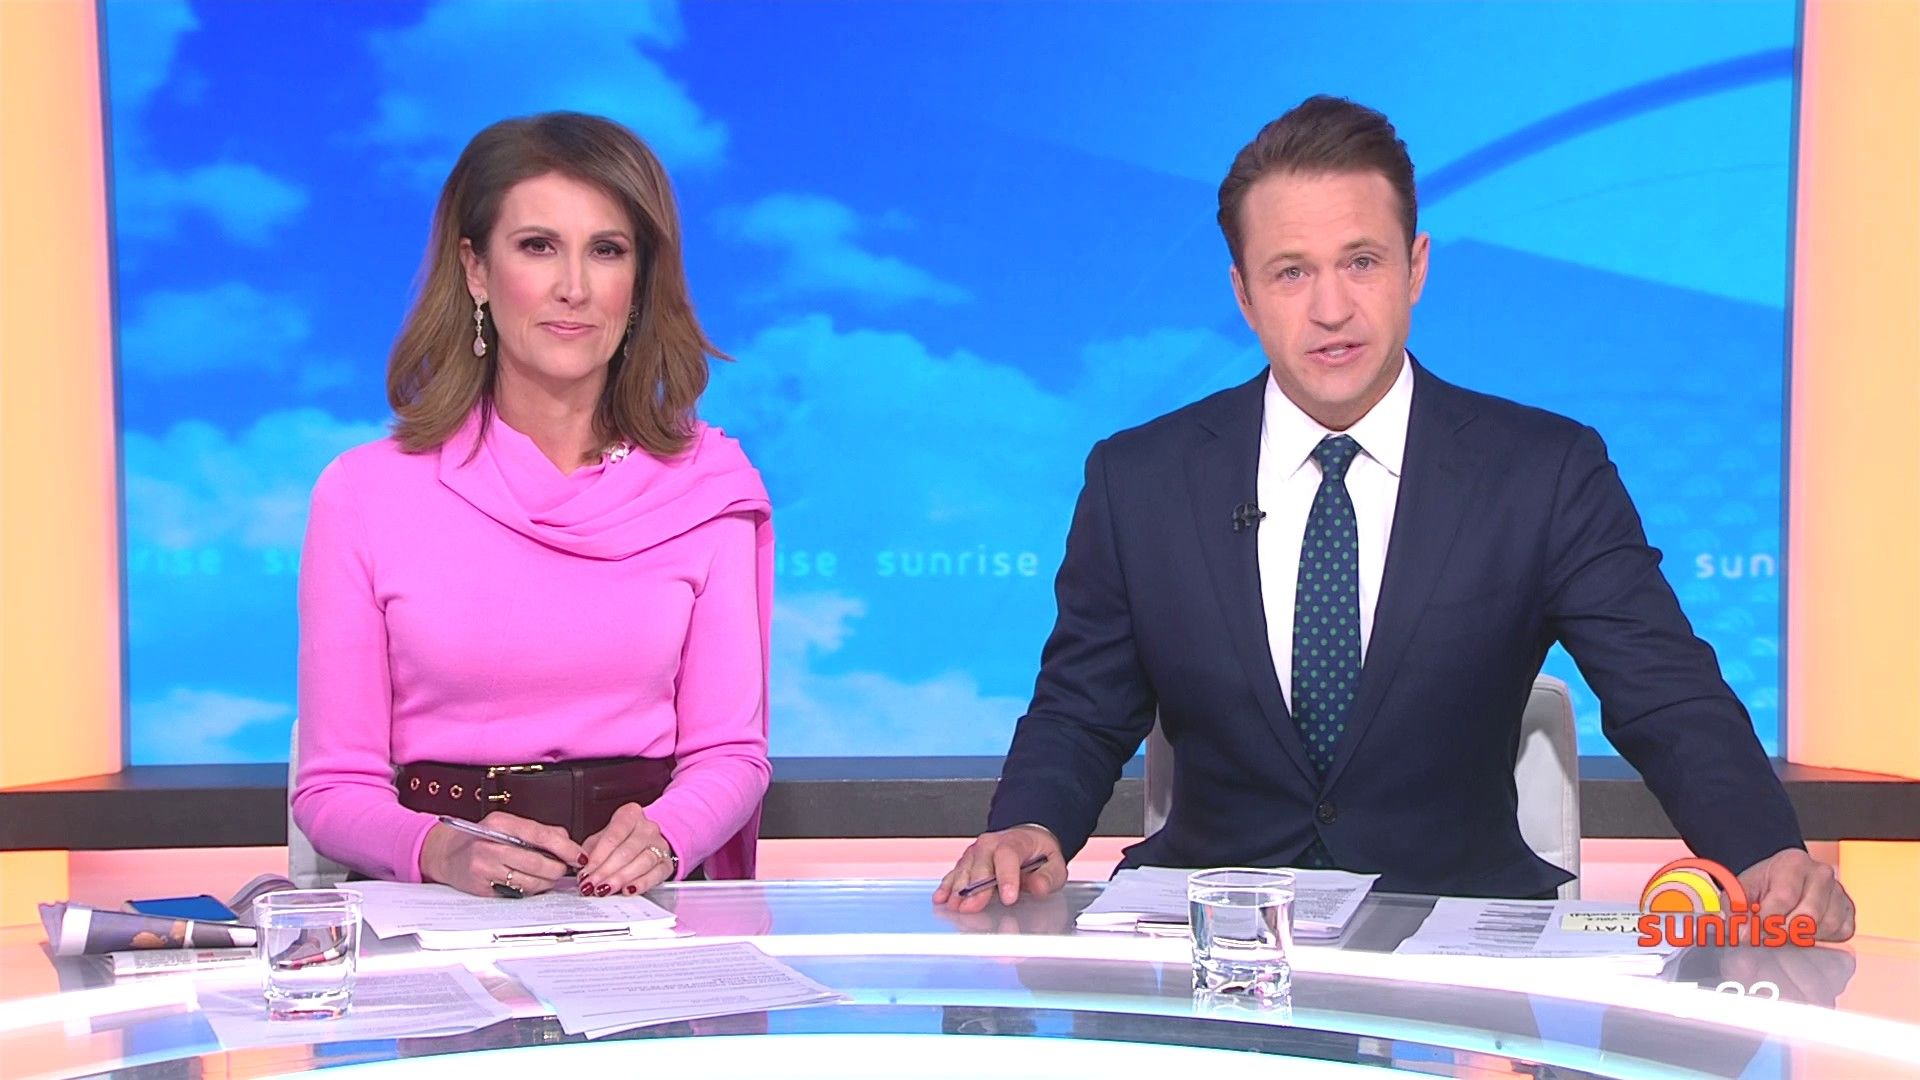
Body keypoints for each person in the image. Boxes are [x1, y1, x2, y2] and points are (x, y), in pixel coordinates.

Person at [936, 96, 1855, 939]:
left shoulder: (1542, 472)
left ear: (1416, 267)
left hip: (1458, 959)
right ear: (1243, 295)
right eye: (1291, 273)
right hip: (1211, 947)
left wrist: (1763, 851)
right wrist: (1029, 823)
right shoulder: (1141, 479)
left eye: (1361, 262)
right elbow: (1081, 708)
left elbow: (1665, 692)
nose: (1332, 308)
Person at [293, 112, 772, 899]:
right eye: (538, 246)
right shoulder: (364, 493)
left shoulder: (707, 488)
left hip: (635, 905)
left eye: (607, 250)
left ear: (640, 280)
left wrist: (665, 836)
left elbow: (731, 756)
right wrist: (440, 851)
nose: (573, 287)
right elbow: (332, 788)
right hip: (438, 906)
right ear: (477, 270)